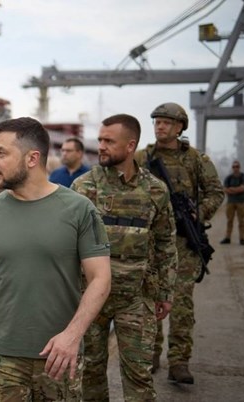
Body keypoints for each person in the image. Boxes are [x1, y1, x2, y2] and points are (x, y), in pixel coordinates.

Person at [0, 117, 111, 401]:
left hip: (60, 356)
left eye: (1, 153)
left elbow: (101, 279)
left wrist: (72, 335)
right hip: (1, 357)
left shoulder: (79, 210)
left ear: (32, 158)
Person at [71, 114, 178, 401]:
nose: (101, 146)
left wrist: (165, 293)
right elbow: (66, 244)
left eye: (109, 141)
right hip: (90, 297)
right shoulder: (83, 187)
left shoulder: (155, 190)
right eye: (100, 140)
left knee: (139, 375)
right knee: (89, 371)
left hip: (136, 298)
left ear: (130, 146)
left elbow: (166, 243)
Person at [135, 102, 224, 384]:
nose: (160, 126)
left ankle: (179, 361)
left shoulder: (195, 159)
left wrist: (200, 212)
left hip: (183, 243)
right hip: (150, 242)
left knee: (181, 304)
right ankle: (151, 355)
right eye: (157, 122)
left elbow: (215, 192)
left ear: (179, 127)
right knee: (149, 300)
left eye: (166, 122)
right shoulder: (142, 157)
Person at [221, 160, 244, 245]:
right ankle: (227, 238)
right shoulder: (228, 178)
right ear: (232, 168)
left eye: (237, 167)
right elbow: (225, 189)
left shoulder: (243, 177)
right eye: (234, 167)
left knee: (241, 221)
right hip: (231, 202)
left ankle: (242, 239)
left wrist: (232, 189)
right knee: (229, 220)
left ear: (239, 167)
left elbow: (243, 188)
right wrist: (237, 190)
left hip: (241, 202)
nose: (235, 168)